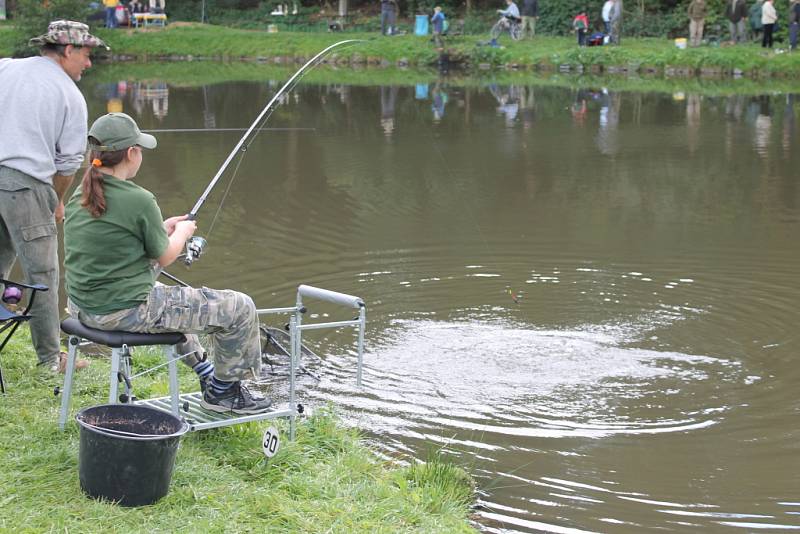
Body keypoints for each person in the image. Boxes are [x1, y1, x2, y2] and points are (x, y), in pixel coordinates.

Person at [64, 113, 272, 415]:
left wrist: (160, 229)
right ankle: (224, 394)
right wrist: (184, 232)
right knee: (240, 307)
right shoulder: (139, 198)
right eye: (140, 149)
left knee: (173, 303)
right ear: (132, 153)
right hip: (119, 312)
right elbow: (165, 256)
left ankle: (206, 374)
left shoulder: (81, 194)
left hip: (84, 307)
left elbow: (114, 243)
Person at [0, 21, 107, 373]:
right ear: (68, 50)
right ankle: (49, 359)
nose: (89, 63)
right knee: (42, 273)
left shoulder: (7, 66)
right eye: (87, 55)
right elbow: (68, 164)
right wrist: (57, 201)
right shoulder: (70, 96)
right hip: (26, 185)